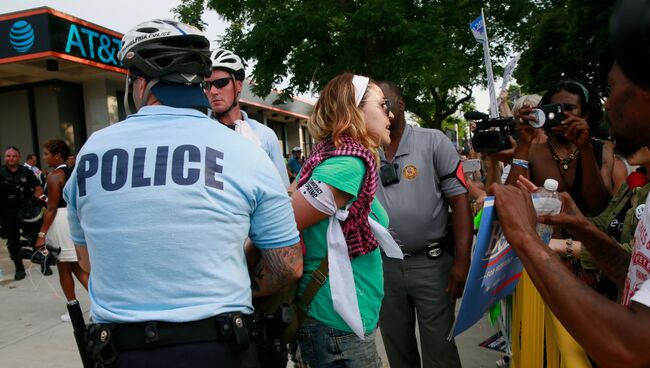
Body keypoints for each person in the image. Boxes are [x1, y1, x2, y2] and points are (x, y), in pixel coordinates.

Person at [63, 20, 302, 367]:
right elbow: (288, 265)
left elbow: (86, 262)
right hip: (221, 346)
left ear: (141, 83)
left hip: (123, 349)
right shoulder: (243, 150)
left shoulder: (91, 152)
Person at [489, 1, 650, 365]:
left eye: (612, 88)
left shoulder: (602, 151)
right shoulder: (535, 148)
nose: (609, 104)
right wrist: (582, 227)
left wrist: (527, 239)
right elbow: (635, 276)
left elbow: (633, 347)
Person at [291, 73, 397, 367]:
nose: (390, 113)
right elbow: (281, 224)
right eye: (382, 104)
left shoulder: (332, 156)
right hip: (336, 326)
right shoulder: (348, 164)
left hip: (340, 325)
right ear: (354, 110)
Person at [375, 81, 473, 368]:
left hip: (431, 264)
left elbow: (460, 202)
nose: (384, 111)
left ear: (402, 104)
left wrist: (462, 262)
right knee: (397, 349)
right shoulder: (367, 149)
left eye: (387, 104)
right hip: (384, 267)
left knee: (439, 352)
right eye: (376, 106)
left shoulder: (433, 141)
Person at [506, 80, 619, 216]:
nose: (561, 114)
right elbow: (512, 202)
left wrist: (585, 149)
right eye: (555, 108)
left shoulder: (604, 149)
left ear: (585, 114)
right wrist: (523, 144)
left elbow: (598, 206)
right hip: (549, 236)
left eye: (569, 108)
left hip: (591, 235)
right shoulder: (532, 152)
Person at [203, 48, 290, 187]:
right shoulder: (199, 131)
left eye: (221, 83)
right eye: (207, 85)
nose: (213, 91)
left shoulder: (264, 136)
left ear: (238, 85)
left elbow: (282, 188)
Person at [35, 139, 88, 322]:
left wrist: (41, 234)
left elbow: (52, 208)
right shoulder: (74, 172)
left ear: (57, 156)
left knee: (64, 268)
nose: (45, 158)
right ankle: (100, 304)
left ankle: (73, 308)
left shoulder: (54, 175)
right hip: (74, 218)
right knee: (76, 266)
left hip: (60, 222)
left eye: (47, 154)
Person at [0, 146, 43, 280]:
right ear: (4, 157)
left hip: (27, 211)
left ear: (18, 157)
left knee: (35, 238)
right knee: (12, 242)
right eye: (8, 156)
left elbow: (39, 188)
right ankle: (19, 268)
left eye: (13, 156)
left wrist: (34, 199)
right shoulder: (0, 172)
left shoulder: (26, 172)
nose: (10, 158)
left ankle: (43, 263)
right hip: (8, 213)